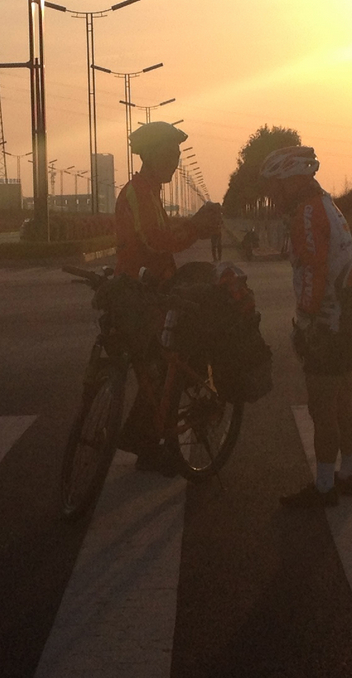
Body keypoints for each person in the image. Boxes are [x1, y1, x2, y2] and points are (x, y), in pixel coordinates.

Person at [114, 121, 224, 472]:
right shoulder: (137, 193)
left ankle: (146, 442)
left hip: (155, 291)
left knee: (159, 371)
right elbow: (153, 241)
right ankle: (146, 441)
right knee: (161, 367)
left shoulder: (151, 193)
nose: (176, 160)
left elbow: (161, 237)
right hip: (140, 295)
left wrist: (193, 226)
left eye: (178, 153)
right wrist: (195, 227)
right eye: (171, 153)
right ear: (152, 155)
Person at [262, 144, 352, 508]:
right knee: (343, 403)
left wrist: (305, 324)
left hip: (328, 322)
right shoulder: (328, 205)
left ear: (292, 182)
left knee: (322, 409)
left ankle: (324, 488)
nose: (271, 194)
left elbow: (313, 271)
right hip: (350, 318)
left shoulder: (306, 213)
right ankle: (348, 475)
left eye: (275, 185)